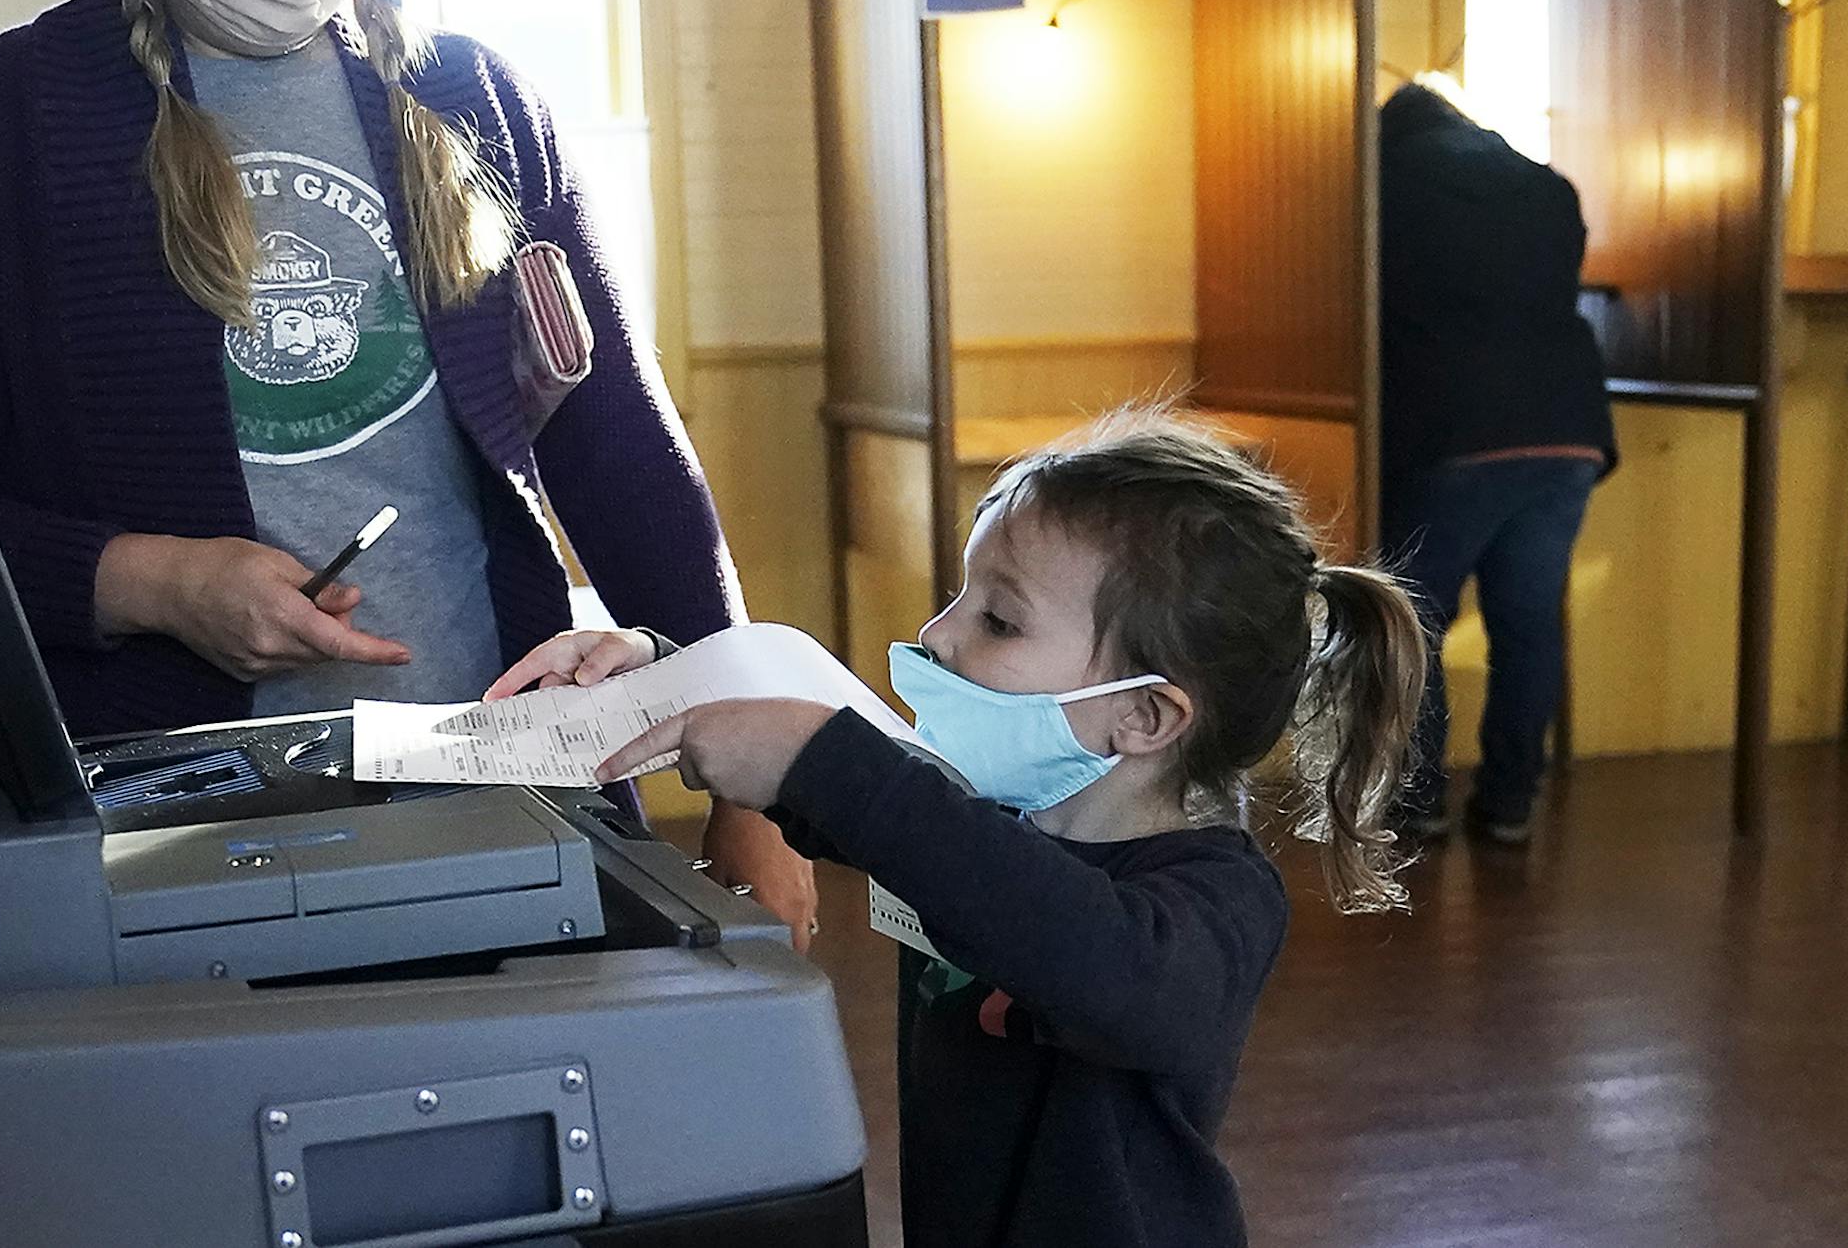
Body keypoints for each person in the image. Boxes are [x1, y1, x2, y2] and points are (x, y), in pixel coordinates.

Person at [0, 0, 813, 940]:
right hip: (161, 846)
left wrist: (748, 787)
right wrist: (157, 583)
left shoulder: (476, 97)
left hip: (512, 807)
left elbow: (627, 463)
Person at [494, 410, 1428, 1247]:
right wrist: (673, 680)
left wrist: (828, 761)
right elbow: (875, 806)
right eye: (962, 596)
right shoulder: (976, 812)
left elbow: (1096, 959)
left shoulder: (1215, 898)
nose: (939, 635)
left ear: (1143, 718)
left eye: (1000, 620)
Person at [1378, 80, 1617, 847]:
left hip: (1456, 430)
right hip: (1567, 430)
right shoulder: (1547, 187)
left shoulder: (1385, 181)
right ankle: (1510, 803)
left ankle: (1420, 801)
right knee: (1528, 623)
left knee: (1414, 618)